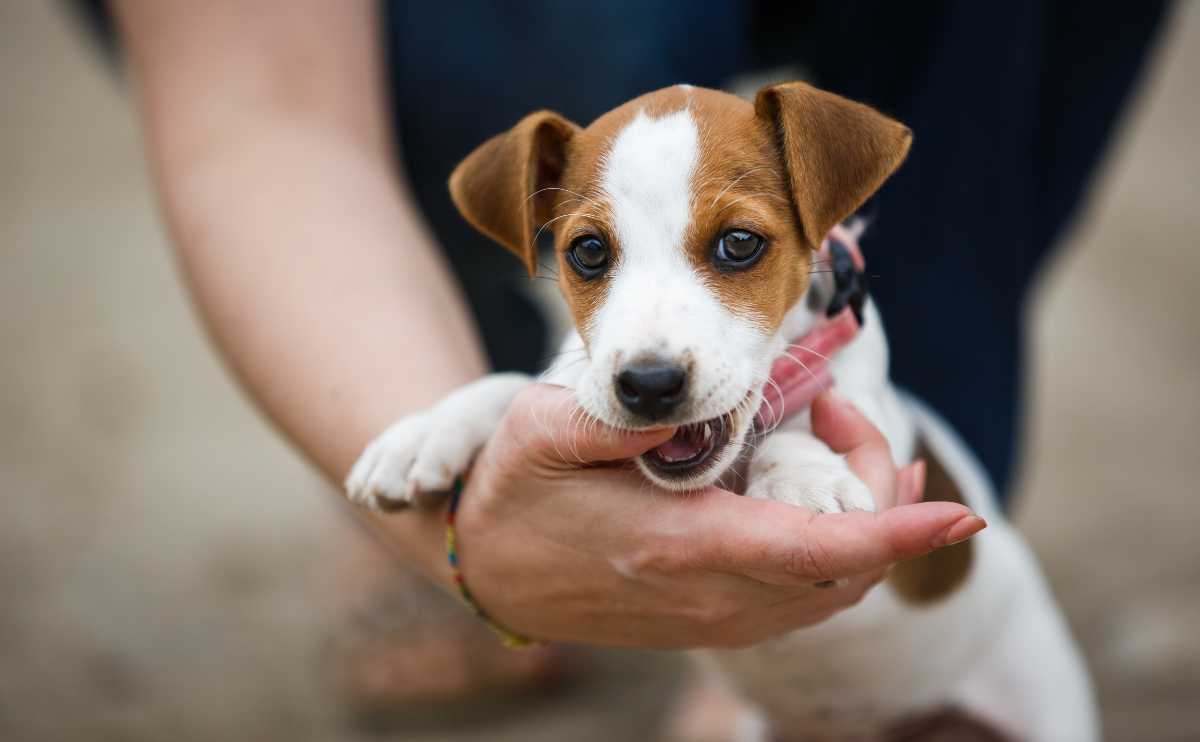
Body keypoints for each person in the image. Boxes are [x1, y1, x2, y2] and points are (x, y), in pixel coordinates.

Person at [98, 0, 1164, 713]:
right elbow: (264, 114)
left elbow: (839, 444)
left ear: (829, 220)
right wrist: (453, 439)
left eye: (734, 248)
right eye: (594, 254)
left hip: (985, 680)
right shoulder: (574, 247)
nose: (652, 348)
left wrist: (796, 463)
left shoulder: (844, 319)